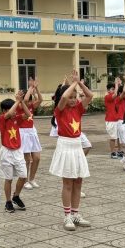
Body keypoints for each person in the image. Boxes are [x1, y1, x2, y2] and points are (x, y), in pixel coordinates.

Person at [49, 70, 93, 231]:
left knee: (78, 181)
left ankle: (75, 214)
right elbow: (63, 98)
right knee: (68, 183)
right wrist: (73, 83)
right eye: (71, 97)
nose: (73, 100)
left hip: (76, 146)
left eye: (75, 97)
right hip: (65, 146)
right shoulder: (59, 110)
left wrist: (79, 83)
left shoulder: (78, 109)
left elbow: (89, 95)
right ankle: (67, 216)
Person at [0, 92, 31, 213]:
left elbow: (28, 114)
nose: (14, 112)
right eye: (10, 109)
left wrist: (21, 101)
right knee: (8, 179)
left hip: (17, 151)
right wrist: (17, 101)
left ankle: (16, 196)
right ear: (4, 111)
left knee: (23, 176)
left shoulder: (17, 118)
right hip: (6, 152)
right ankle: (8, 202)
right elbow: (8, 114)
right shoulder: (2, 119)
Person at [21, 78, 44, 190]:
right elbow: (25, 99)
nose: (30, 102)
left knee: (37, 158)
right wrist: (30, 87)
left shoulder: (31, 106)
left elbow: (40, 99)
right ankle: (25, 181)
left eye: (31, 100)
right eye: (29, 100)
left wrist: (36, 88)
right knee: (27, 159)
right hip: (23, 132)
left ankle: (32, 179)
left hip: (32, 132)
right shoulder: (21, 106)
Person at [104, 78, 122, 159]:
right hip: (110, 120)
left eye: (115, 89)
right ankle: (112, 152)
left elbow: (120, 92)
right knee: (113, 137)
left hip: (117, 119)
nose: (114, 90)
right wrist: (116, 84)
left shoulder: (115, 97)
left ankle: (119, 151)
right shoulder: (107, 97)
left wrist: (119, 84)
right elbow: (115, 94)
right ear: (108, 90)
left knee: (119, 137)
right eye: (112, 89)